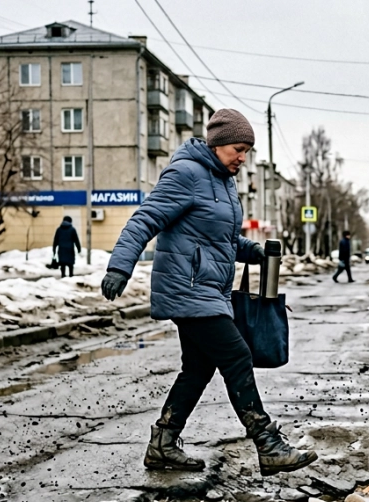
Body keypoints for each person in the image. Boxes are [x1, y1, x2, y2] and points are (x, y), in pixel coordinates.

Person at [100, 109, 318, 475]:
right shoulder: (186, 174)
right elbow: (145, 219)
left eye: (247, 151)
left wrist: (253, 251)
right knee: (236, 355)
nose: (242, 158)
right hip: (187, 288)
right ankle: (268, 443)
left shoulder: (224, 183)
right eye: (238, 149)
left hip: (209, 290)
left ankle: (163, 443)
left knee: (198, 368)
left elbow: (220, 241)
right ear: (217, 144)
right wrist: (119, 266)